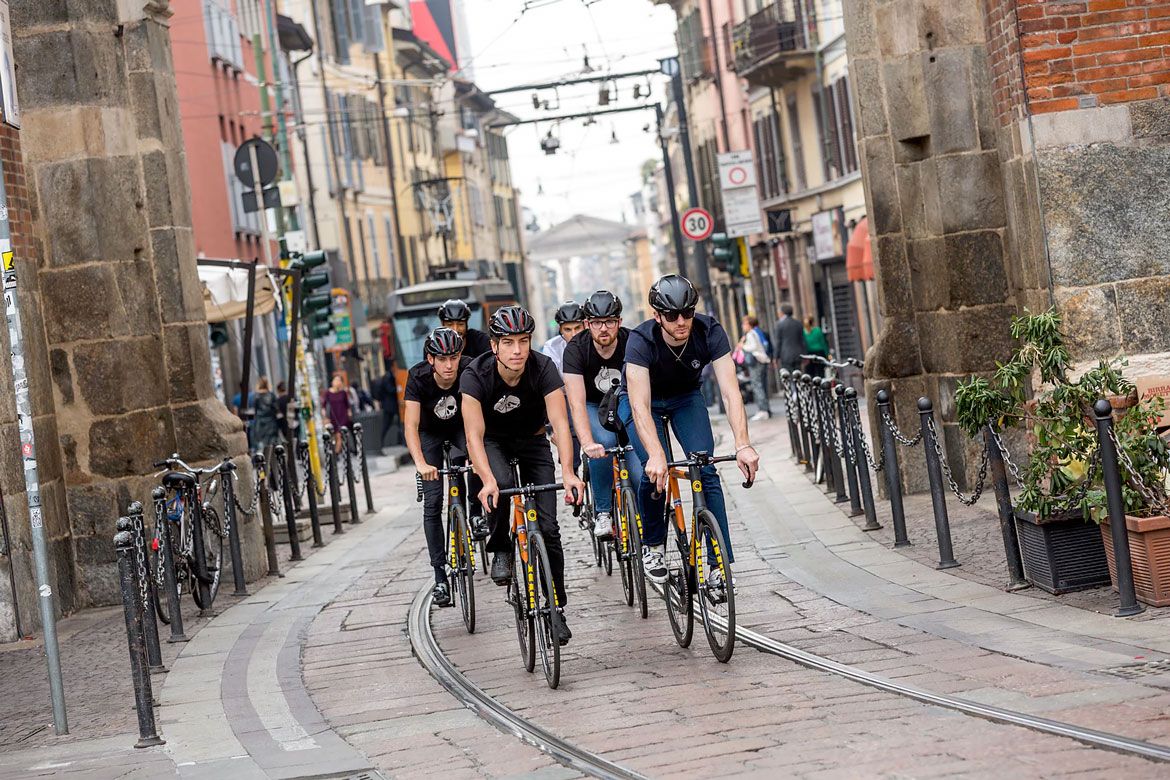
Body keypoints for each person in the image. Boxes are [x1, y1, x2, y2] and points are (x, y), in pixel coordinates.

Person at [619, 274, 760, 595]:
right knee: (653, 470)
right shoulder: (641, 341)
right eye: (671, 315)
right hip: (646, 403)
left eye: (687, 312)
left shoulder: (709, 331)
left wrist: (743, 444)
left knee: (706, 469)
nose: (681, 321)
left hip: (686, 398)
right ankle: (653, 546)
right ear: (657, 316)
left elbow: (731, 392)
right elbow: (639, 406)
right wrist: (656, 454)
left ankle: (718, 567)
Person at [461, 305, 585, 646]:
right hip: (493, 443)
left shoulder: (542, 367)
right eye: (509, 342)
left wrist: (570, 471)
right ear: (494, 346)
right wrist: (485, 479)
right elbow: (472, 437)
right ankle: (501, 546)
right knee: (501, 486)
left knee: (549, 529)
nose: (517, 350)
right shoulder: (475, 375)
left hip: (533, 443)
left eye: (524, 341)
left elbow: (560, 424)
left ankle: (556, 606)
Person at [404, 328, 485, 608]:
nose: (449, 365)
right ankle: (440, 576)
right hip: (430, 435)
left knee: (477, 461)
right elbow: (411, 425)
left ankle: (476, 514)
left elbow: (480, 415)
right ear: (430, 359)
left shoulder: (469, 369)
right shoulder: (417, 378)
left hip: (462, 427)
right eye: (442, 359)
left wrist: (479, 458)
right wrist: (420, 463)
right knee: (434, 500)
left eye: (453, 357)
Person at [563, 290, 644, 541]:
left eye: (610, 321)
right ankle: (603, 512)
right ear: (588, 324)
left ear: (619, 322)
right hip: (591, 404)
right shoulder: (576, 350)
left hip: (624, 400)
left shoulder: (633, 342)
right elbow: (575, 403)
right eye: (597, 322)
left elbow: (642, 392)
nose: (603, 328)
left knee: (638, 469)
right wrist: (586, 443)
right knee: (603, 446)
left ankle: (645, 520)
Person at [738, 315, 772, 421]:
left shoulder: (751, 334)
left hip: (756, 362)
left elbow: (753, 347)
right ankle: (765, 409)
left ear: (749, 324)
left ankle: (763, 410)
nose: (743, 326)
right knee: (761, 385)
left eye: (744, 324)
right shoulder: (756, 332)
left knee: (757, 385)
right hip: (761, 361)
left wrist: (742, 346)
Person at [540, 301, 586, 374]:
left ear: (585, 326)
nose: (574, 334)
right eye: (568, 329)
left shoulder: (596, 343)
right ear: (560, 330)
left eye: (577, 328)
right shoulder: (552, 348)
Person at [772, 302, 807, 374]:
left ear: (782, 313)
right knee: (798, 375)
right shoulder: (798, 323)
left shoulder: (779, 325)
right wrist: (805, 354)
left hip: (785, 356)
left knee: (788, 376)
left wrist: (775, 357)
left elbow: (778, 342)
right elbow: (803, 340)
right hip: (798, 354)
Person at [322, 374, 352, 453]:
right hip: (333, 417)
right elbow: (324, 406)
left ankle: (336, 454)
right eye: (336, 380)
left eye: (339, 381)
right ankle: (339, 452)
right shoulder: (328, 393)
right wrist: (325, 417)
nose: (337, 382)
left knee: (339, 435)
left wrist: (349, 413)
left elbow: (347, 404)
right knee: (334, 436)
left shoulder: (343, 393)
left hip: (342, 416)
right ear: (332, 382)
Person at [251, 377, 281, 456]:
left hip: (260, 423)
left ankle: (263, 460)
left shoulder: (256, 396)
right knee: (272, 443)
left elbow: (254, 409)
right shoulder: (271, 395)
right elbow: (276, 408)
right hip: (271, 422)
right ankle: (272, 460)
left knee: (262, 444)